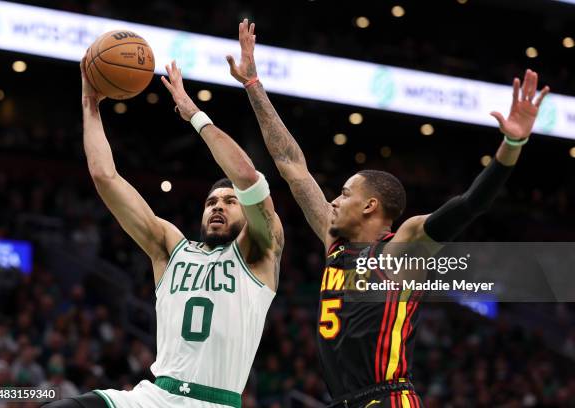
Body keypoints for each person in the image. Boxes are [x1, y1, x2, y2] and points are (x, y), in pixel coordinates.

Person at [226, 19, 549, 408]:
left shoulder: (404, 247)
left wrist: (511, 144)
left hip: (389, 399)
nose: (334, 202)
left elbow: (470, 204)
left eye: (344, 194)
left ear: (370, 206)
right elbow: (290, 164)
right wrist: (253, 85)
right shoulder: (334, 243)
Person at [44, 57, 284, 407]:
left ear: (247, 213)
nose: (217, 206)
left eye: (230, 201)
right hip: (155, 396)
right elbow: (104, 177)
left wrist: (194, 115)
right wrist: (89, 104)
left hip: (214, 402)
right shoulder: (172, 248)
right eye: (211, 201)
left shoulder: (261, 249)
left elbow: (248, 177)